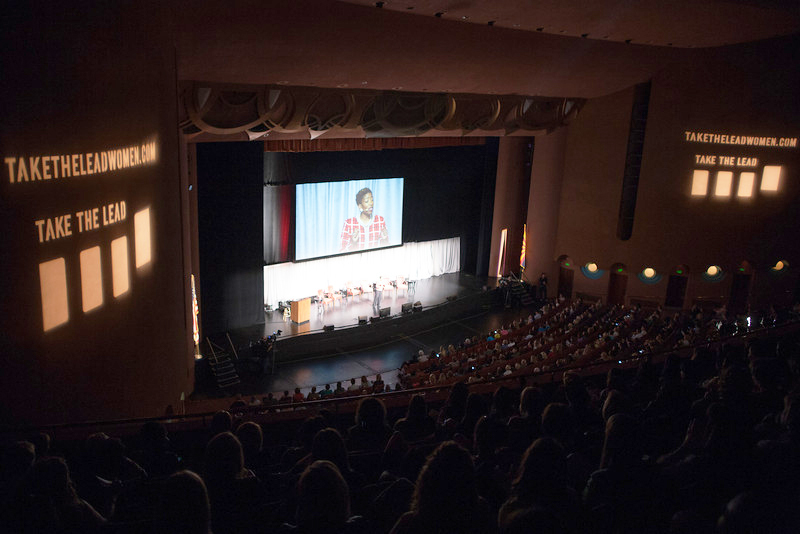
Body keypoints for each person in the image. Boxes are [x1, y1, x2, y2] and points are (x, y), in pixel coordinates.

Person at [340, 187, 388, 252]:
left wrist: (384, 240)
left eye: (372, 200)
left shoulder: (380, 220)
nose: (371, 203)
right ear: (360, 206)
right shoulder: (349, 223)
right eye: (367, 201)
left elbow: (387, 249)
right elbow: (342, 250)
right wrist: (353, 243)